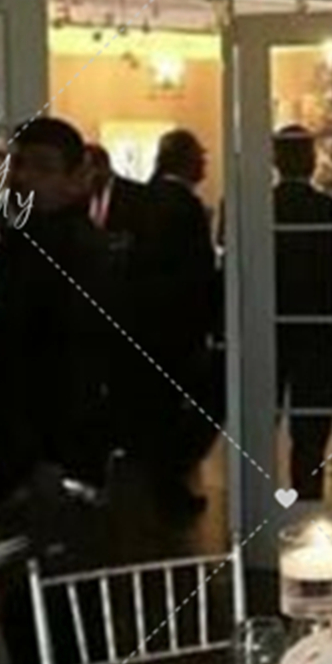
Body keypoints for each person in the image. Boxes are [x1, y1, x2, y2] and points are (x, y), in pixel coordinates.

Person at [0, 116, 115, 505]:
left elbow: (77, 363)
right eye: (19, 164)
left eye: (43, 167)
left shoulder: (78, 249)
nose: (24, 177)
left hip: (45, 454)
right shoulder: (24, 238)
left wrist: (47, 460)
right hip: (11, 442)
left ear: (76, 178)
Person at [126, 129, 219, 514]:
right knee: (203, 401)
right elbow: (195, 273)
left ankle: (159, 485)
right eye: (201, 156)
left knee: (159, 408)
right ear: (186, 160)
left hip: (145, 324)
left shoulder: (144, 198)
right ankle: (170, 482)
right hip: (178, 327)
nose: (205, 163)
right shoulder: (184, 205)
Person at [271, 126, 332, 501]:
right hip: (320, 331)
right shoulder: (329, 210)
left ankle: (260, 498)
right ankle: (306, 497)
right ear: (311, 160)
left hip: (267, 328)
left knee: (261, 417)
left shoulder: (256, 208)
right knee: (311, 430)